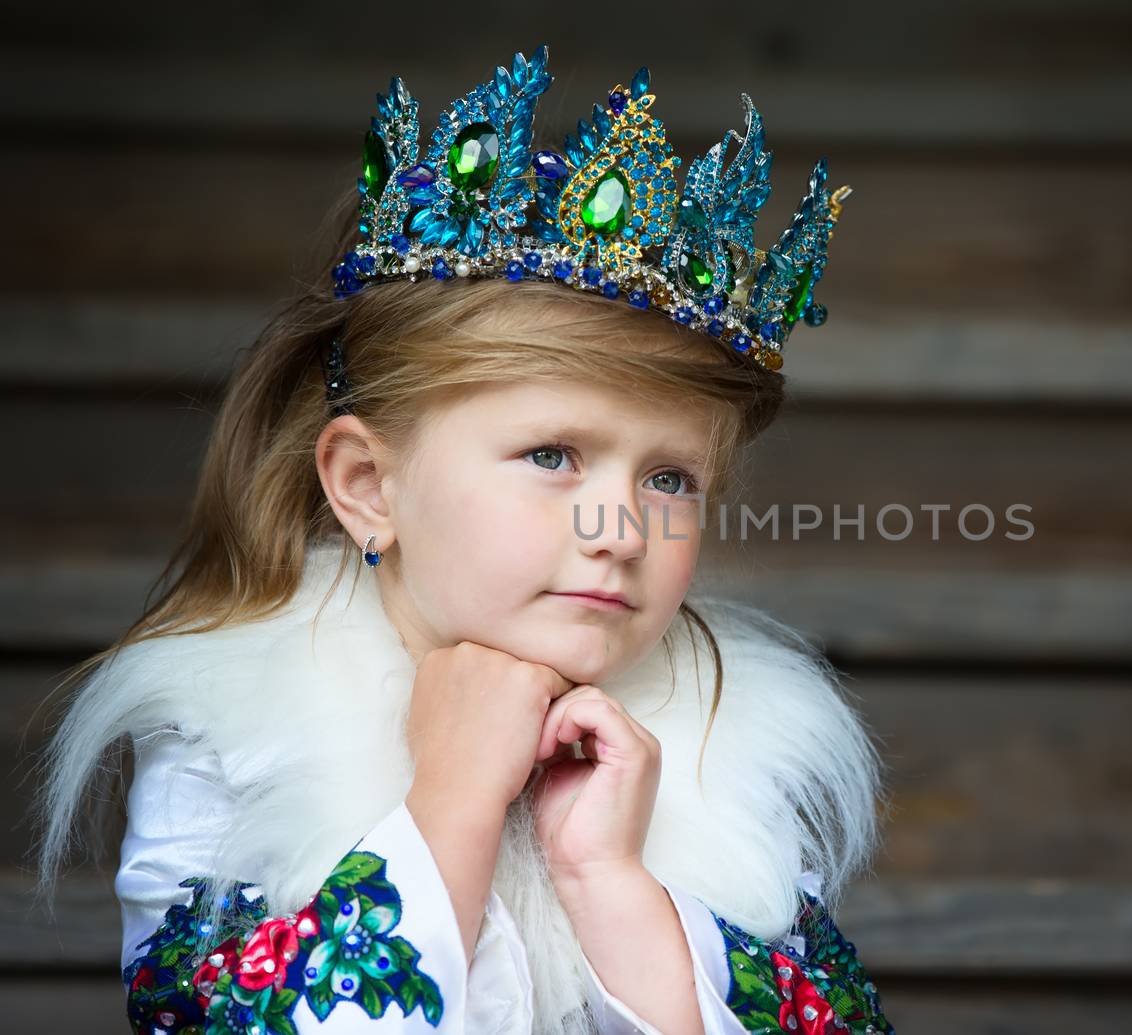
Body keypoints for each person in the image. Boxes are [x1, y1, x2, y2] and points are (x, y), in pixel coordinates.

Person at [29, 44, 894, 1035]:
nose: (619, 532)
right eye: (551, 455)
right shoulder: (235, 738)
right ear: (366, 487)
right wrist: (449, 805)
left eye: (669, 478)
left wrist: (607, 878)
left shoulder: (728, 748)